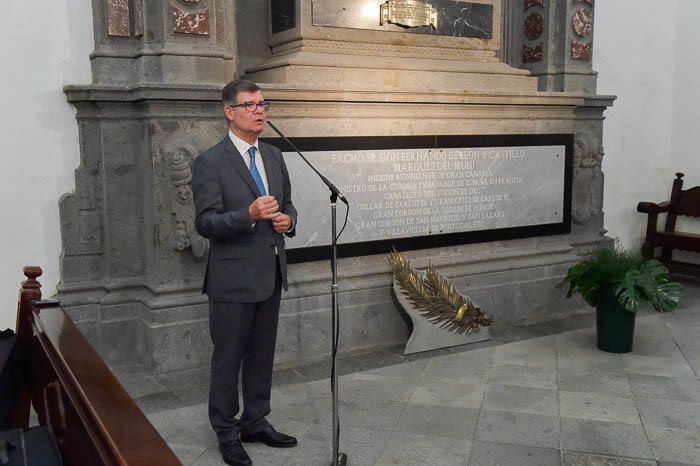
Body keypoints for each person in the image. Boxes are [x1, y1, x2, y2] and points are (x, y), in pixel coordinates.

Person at [192, 79, 298, 466]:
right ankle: (226, 430)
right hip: (232, 280)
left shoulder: (273, 155)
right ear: (229, 111)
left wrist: (289, 220)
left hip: (270, 273)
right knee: (228, 358)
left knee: (261, 355)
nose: (259, 110)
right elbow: (205, 223)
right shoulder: (211, 161)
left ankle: (256, 420)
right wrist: (248, 216)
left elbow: (287, 204)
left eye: (262, 104)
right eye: (250, 104)